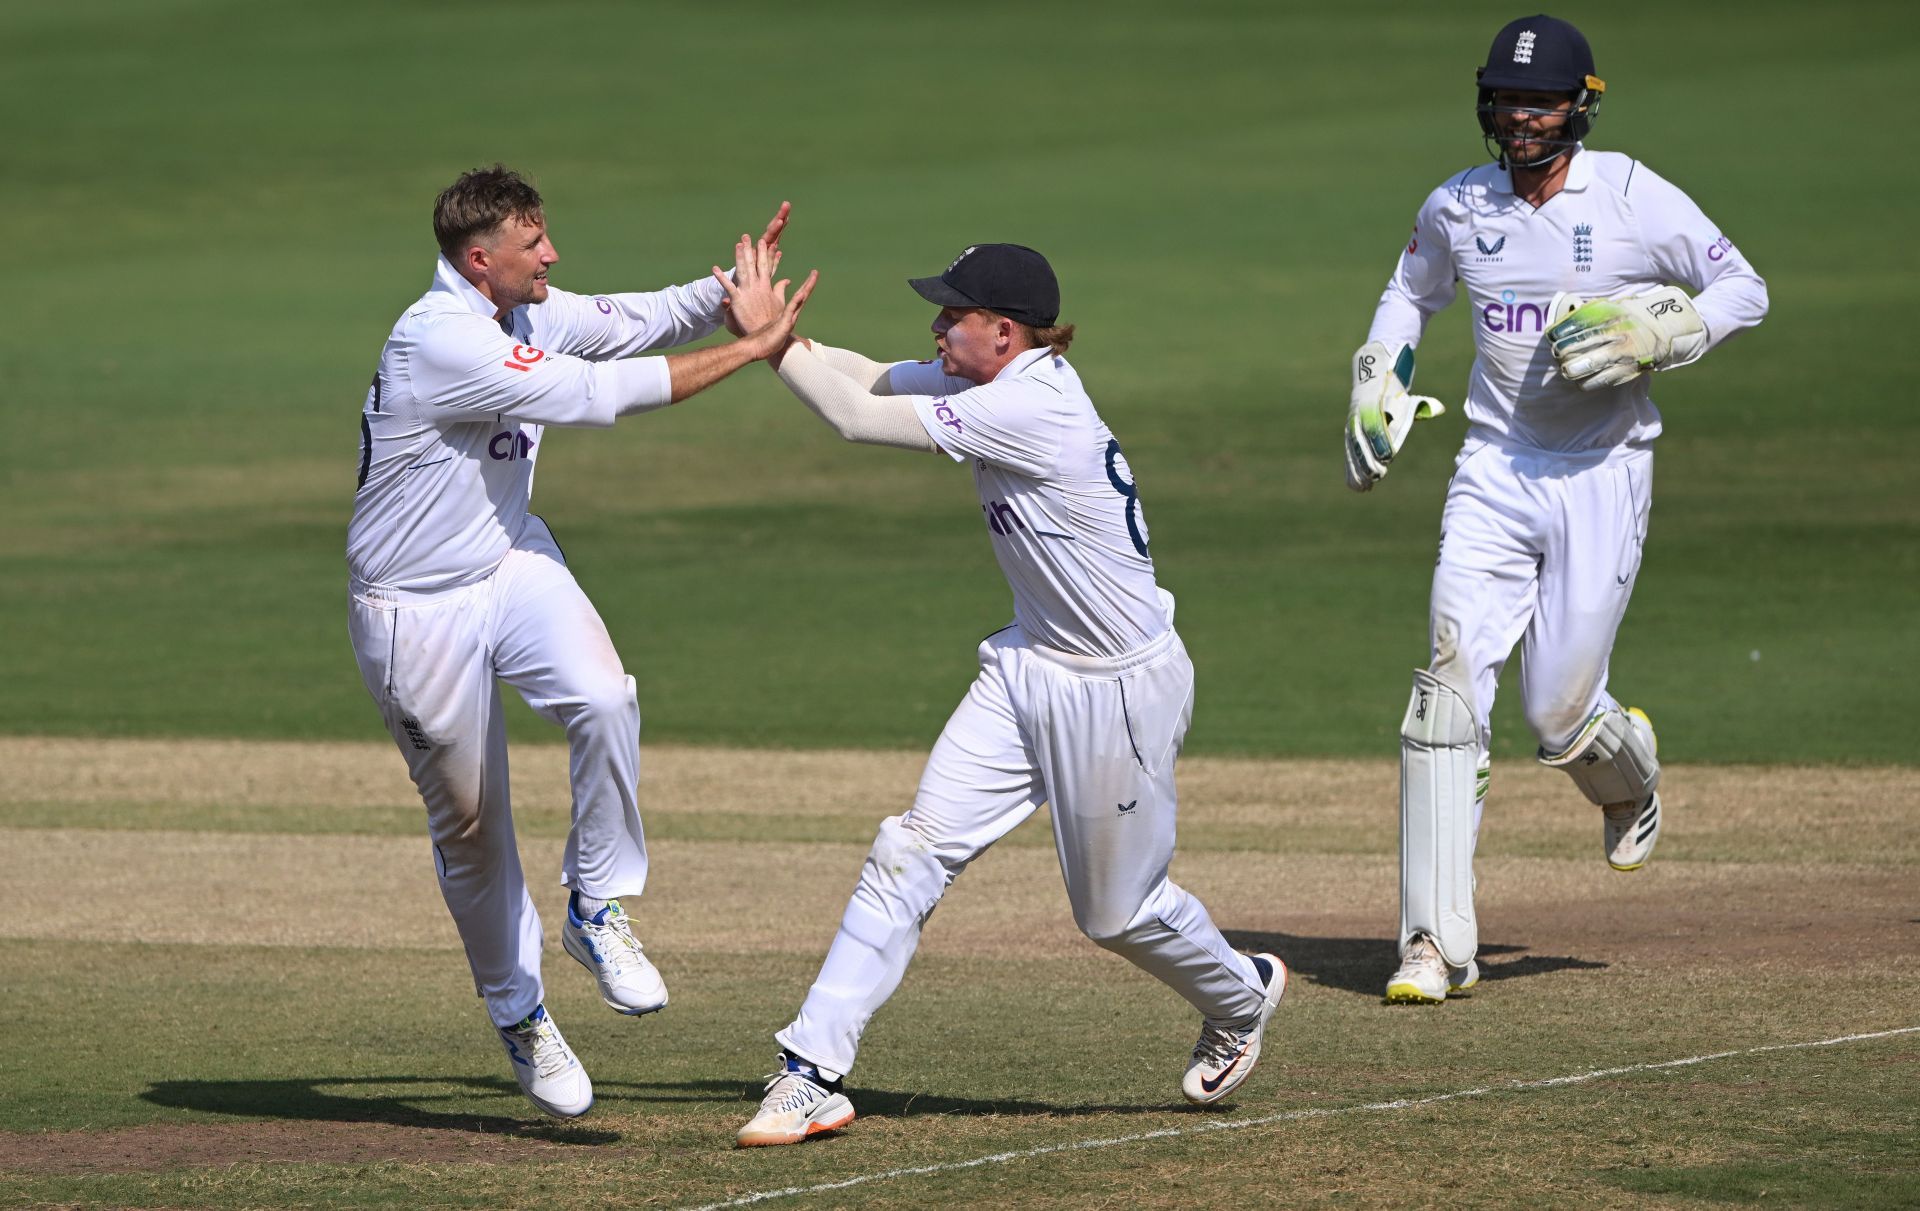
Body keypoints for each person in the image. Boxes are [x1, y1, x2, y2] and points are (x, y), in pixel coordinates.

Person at [731, 241, 1286, 1148]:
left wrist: (769, 348)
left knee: (1117, 913)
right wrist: (783, 334)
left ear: (1005, 329)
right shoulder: (992, 381)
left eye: (954, 314)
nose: (938, 327)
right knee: (910, 850)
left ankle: (1241, 990)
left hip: (1117, 688)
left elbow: (853, 421)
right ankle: (811, 1072)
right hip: (1029, 665)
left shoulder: (1027, 407)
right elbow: (871, 380)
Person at [345, 165, 813, 1117]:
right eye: (533, 243)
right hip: (414, 608)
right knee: (474, 829)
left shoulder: (528, 311)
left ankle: (596, 906)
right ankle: (520, 1015)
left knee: (603, 696)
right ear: (482, 260)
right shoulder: (438, 341)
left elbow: (631, 320)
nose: (552, 254)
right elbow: (603, 395)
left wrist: (729, 295)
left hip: (506, 559)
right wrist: (756, 348)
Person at [1342, 16, 1768, 1004]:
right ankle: (1432, 943)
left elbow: (1743, 286)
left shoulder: (1628, 193)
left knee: (1559, 710)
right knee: (1446, 690)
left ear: (1580, 104)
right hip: (1493, 465)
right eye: (1504, 99)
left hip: (1602, 472)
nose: (1519, 118)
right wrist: (1377, 381)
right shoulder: (1458, 203)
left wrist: (1664, 327)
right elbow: (1408, 295)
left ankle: (1630, 779)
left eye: (1538, 101)